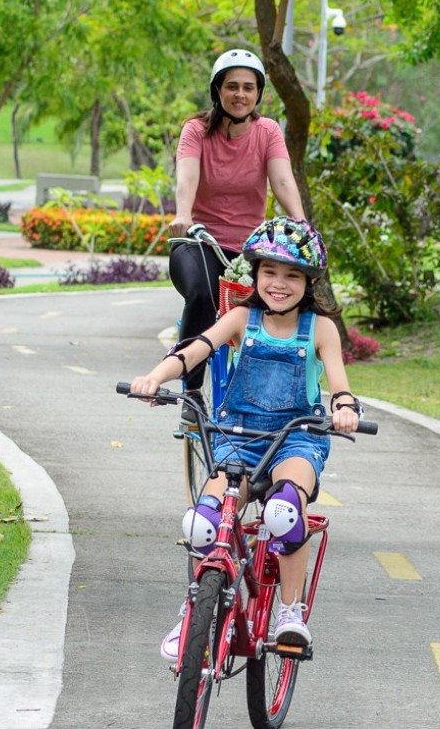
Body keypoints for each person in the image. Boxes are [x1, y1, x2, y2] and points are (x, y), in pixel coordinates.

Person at [129, 217, 361, 656]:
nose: (279, 283)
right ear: (254, 273)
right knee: (201, 524)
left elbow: (340, 384)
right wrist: (154, 377)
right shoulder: (240, 319)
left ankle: (289, 613)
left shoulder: (320, 329)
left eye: (292, 275)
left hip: (297, 438)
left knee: (284, 512)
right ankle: (193, 611)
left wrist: (344, 408)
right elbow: (195, 349)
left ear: (308, 282)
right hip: (238, 437)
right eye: (269, 272)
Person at [170, 48, 306, 413]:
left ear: (259, 93)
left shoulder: (268, 132)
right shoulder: (196, 130)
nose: (240, 94)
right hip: (199, 241)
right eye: (232, 86)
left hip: (249, 251)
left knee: (276, 304)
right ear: (217, 90)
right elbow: (187, 176)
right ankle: (192, 390)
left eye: (248, 87)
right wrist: (184, 214)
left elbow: (281, 178)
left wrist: (301, 222)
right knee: (201, 294)